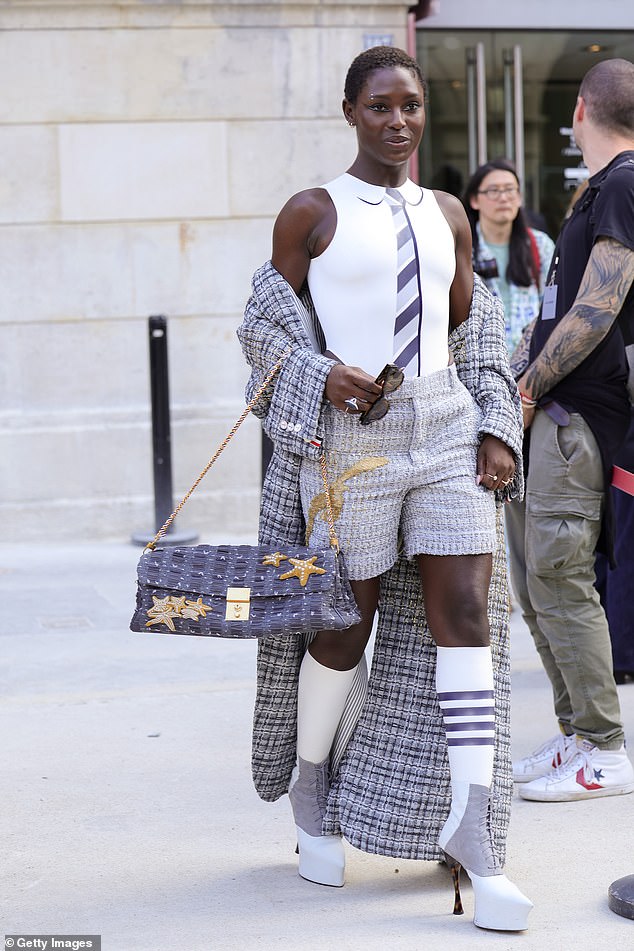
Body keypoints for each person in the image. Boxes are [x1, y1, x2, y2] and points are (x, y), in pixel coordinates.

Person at [237, 46, 532, 931]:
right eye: (379, 107)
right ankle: (313, 782)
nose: (398, 122)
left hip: (442, 427)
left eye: (410, 106)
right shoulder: (312, 213)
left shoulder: (448, 211)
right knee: (344, 623)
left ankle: (478, 832)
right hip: (352, 446)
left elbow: (474, 329)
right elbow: (262, 330)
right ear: (350, 112)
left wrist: (494, 425)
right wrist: (320, 371)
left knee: (469, 616)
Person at [511, 58, 634, 802]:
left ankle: (605, 747)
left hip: (574, 415)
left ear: (583, 108)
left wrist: (528, 386)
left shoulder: (623, 181)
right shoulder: (599, 188)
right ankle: (577, 735)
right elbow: (563, 308)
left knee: (558, 574)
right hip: (551, 411)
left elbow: (599, 307)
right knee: (539, 580)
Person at [463, 158, 555, 358]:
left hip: (532, 361)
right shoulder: (462, 248)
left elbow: (553, 308)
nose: (503, 198)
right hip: (481, 363)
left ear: (520, 197)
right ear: (474, 200)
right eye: (493, 191)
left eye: (510, 189)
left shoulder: (540, 245)